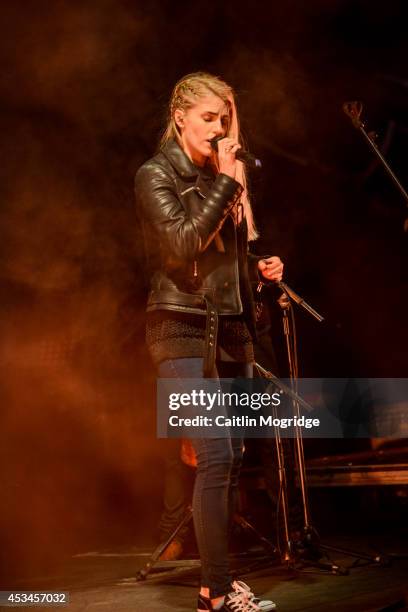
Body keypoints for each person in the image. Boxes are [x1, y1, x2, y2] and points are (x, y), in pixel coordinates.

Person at [135, 72, 283, 612]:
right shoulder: (155, 175)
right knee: (215, 454)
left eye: (223, 119)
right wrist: (226, 181)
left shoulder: (224, 177)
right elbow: (182, 243)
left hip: (231, 329)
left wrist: (259, 268)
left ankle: (216, 585)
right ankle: (217, 593)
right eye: (208, 118)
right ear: (179, 116)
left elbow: (226, 256)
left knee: (233, 456)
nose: (218, 129)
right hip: (181, 328)